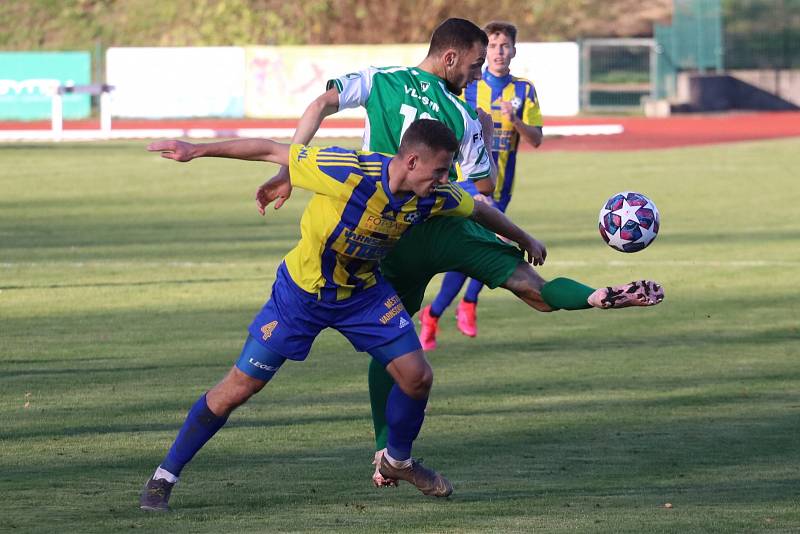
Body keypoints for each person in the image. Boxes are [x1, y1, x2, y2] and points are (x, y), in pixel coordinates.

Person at [254, 17, 665, 488]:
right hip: (445, 223)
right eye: (472, 66)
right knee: (532, 288)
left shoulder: (380, 79)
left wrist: (292, 165)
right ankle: (598, 296)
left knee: (391, 341)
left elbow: (322, 101)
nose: (475, 75)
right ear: (450, 58)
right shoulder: (465, 116)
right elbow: (484, 189)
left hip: (387, 233)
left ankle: (385, 450)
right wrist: (486, 160)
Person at [138, 119, 548, 511]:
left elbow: (476, 207)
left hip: (363, 295)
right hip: (300, 295)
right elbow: (268, 149)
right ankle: (164, 476)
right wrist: (196, 150)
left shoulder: (434, 195)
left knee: (417, 376)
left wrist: (524, 237)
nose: (444, 180)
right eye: (439, 171)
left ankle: (397, 462)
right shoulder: (346, 171)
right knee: (239, 388)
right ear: (411, 162)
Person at [422, 21, 545, 349]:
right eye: (493, 46)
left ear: (514, 50)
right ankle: (465, 306)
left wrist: (515, 120)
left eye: (505, 46)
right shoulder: (468, 85)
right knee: (487, 246)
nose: (499, 52)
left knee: (474, 254)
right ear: (484, 51)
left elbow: (536, 140)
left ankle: (434, 315)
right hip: (470, 186)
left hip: (502, 187)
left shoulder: (524, 91)